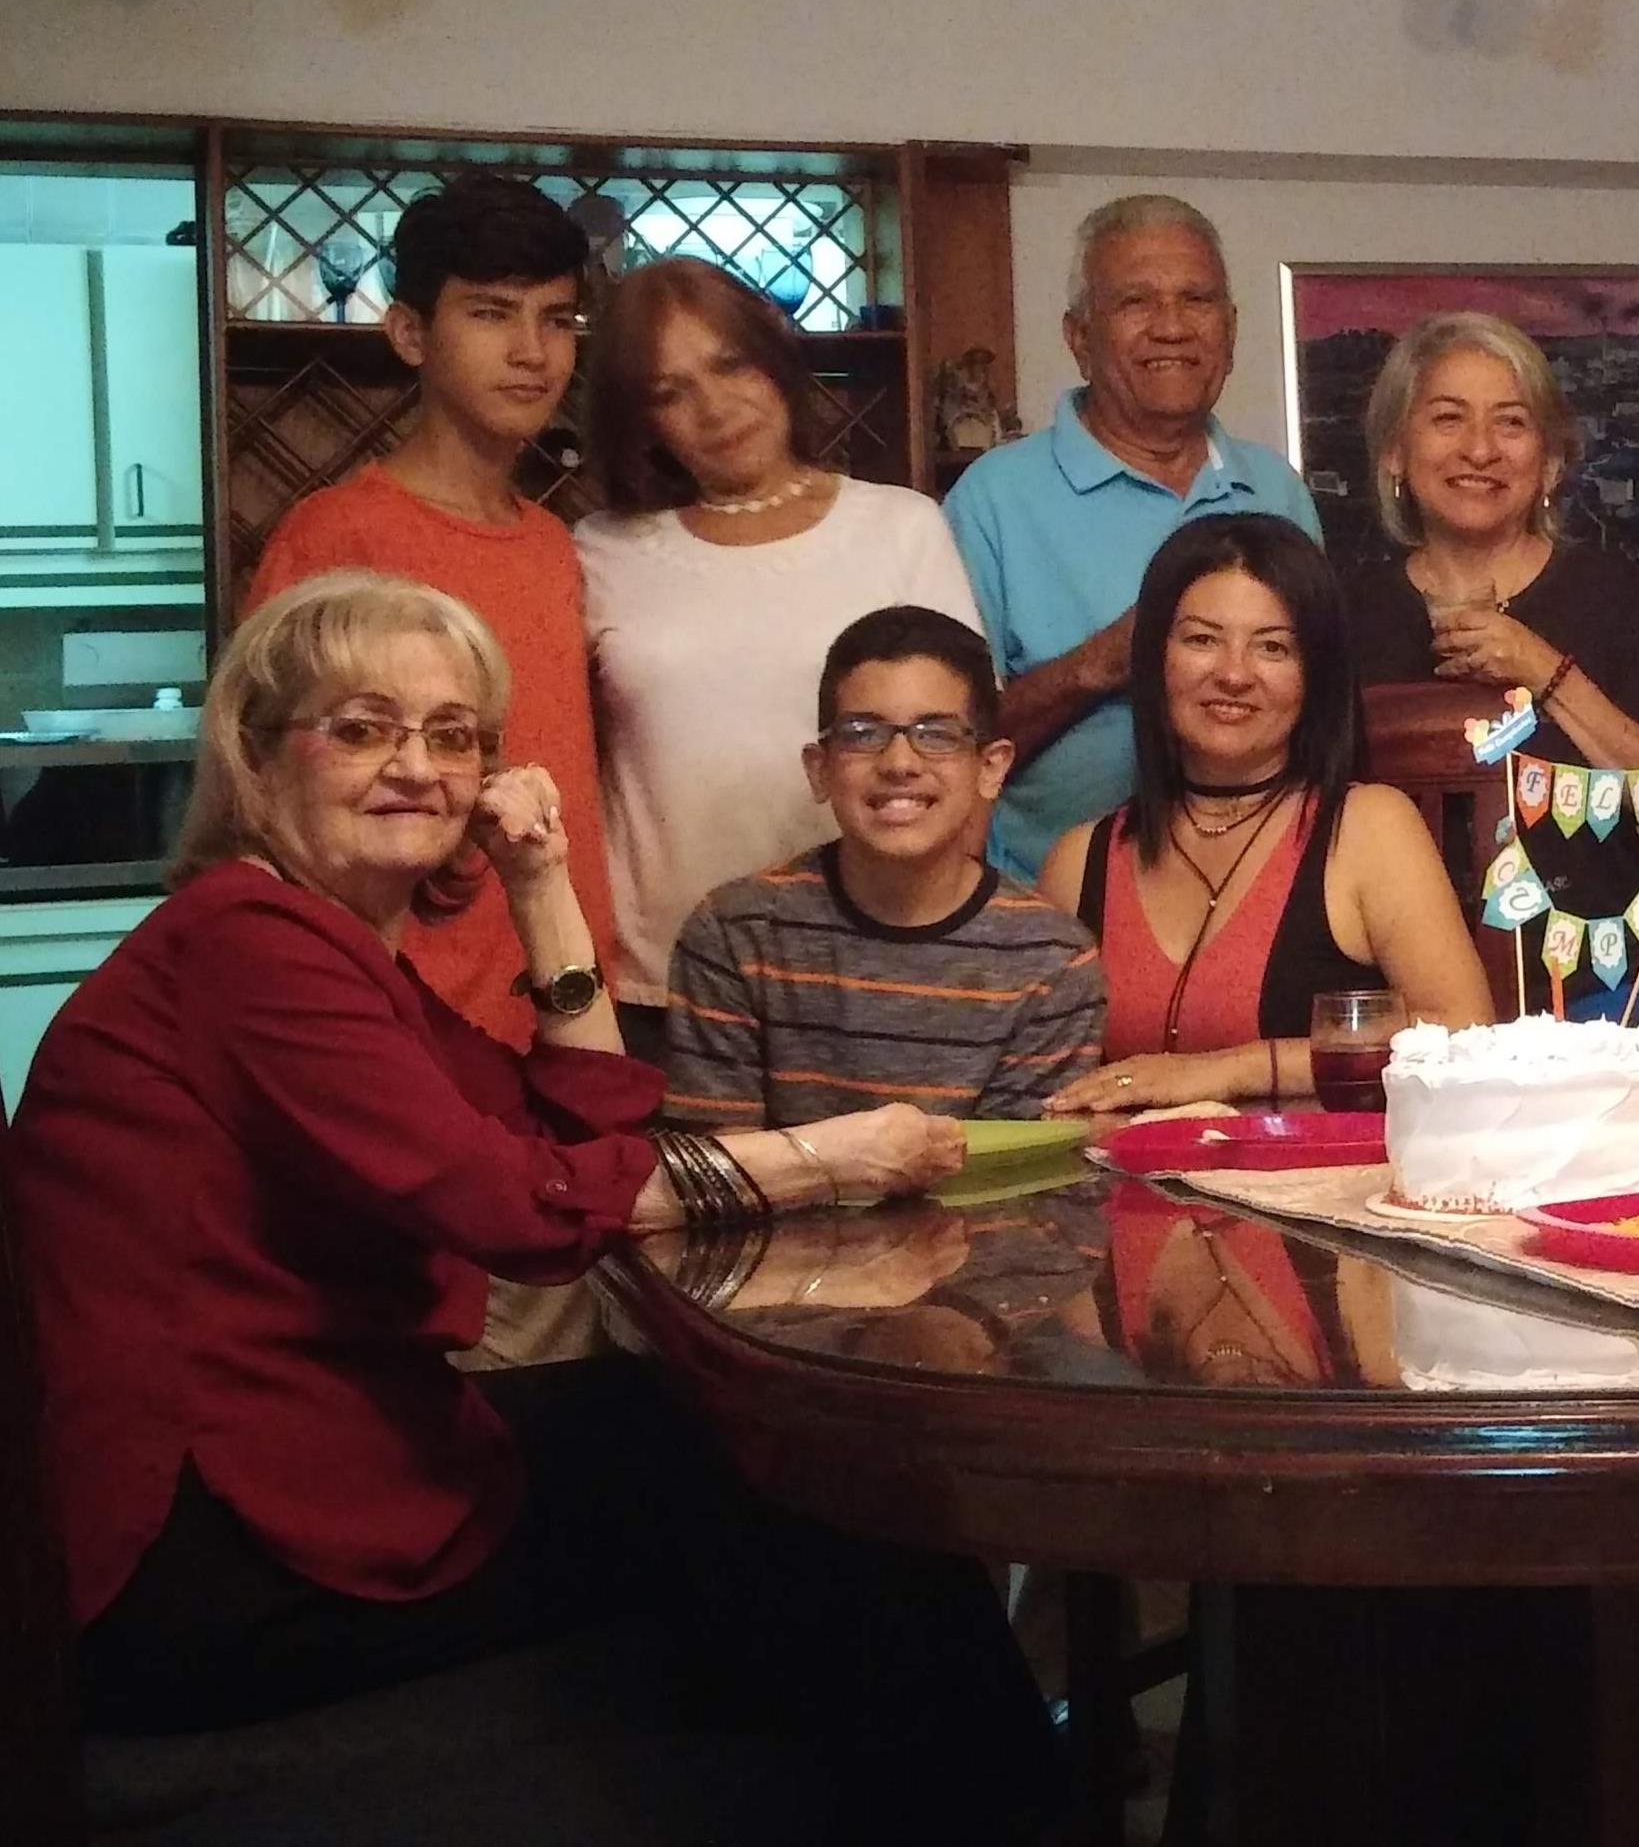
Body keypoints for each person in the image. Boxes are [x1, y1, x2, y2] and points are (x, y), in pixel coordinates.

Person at [12, 572, 1062, 1839]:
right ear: (256, 749)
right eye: (363, 726)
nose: (419, 766)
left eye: (453, 734)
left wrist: (539, 879)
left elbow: (577, 1124)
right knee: (830, 1514)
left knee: (797, 1476)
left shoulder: (332, 945)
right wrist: (831, 1154)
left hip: (308, 1445)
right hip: (208, 1540)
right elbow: (521, 1207)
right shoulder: (248, 943)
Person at [244, 173, 618, 1369]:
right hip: (419, 1054)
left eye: (557, 319)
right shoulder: (338, 537)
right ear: (410, 330)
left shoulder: (555, 542)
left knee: (568, 1417)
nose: (532, 351)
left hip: (563, 1027)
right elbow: (280, 815)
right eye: (491, 312)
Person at [577, 256, 984, 1059]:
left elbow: (957, 757)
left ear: (774, 357)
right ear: (641, 420)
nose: (714, 407)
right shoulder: (601, 552)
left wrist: (939, 954)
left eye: (730, 364)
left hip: (869, 974)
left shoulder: (900, 527)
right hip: (661, 986)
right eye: (669, 390)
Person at [1037, 515, 1492, 1110]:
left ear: (1315, 677)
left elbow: (1464, 1033)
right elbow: (1035, 1079)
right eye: (1201, 639)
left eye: (1273, 647)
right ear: (1154, 660)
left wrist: (1228, 1070)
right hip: (1120, 1192)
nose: (1233, 674)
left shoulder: (1367, 827)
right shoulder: (1080, 859)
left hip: (1320, 1192)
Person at [1343, 309, 1639, 1019]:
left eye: (1510, 423)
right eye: (1448, 419)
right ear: (1395, 451)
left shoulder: (1614, 597)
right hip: (1393, 1010)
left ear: (1548, 461)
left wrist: (1546, 671)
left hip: (1592, 998)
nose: (1479, 449)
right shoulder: (1342, 611)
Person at [945, 194, 1322, 878]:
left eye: (1197, 300)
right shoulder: (993, 499)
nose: (1171, 327)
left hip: (1261, 898)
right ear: (1079, 336)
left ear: (1231, 330)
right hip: (1051, 913)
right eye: (1136, 303)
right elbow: (947, 745)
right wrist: (1096, 666)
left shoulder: (1277, 490)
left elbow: (1322, 706)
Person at [659, 605, 1107, 1128]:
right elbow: (715, 1172)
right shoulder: (733, 935)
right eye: (862, 734)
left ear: (990, 767)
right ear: (820, 768)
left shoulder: (1052, 961)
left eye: (936, 735)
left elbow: (1012, 1182)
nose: (899, 763)